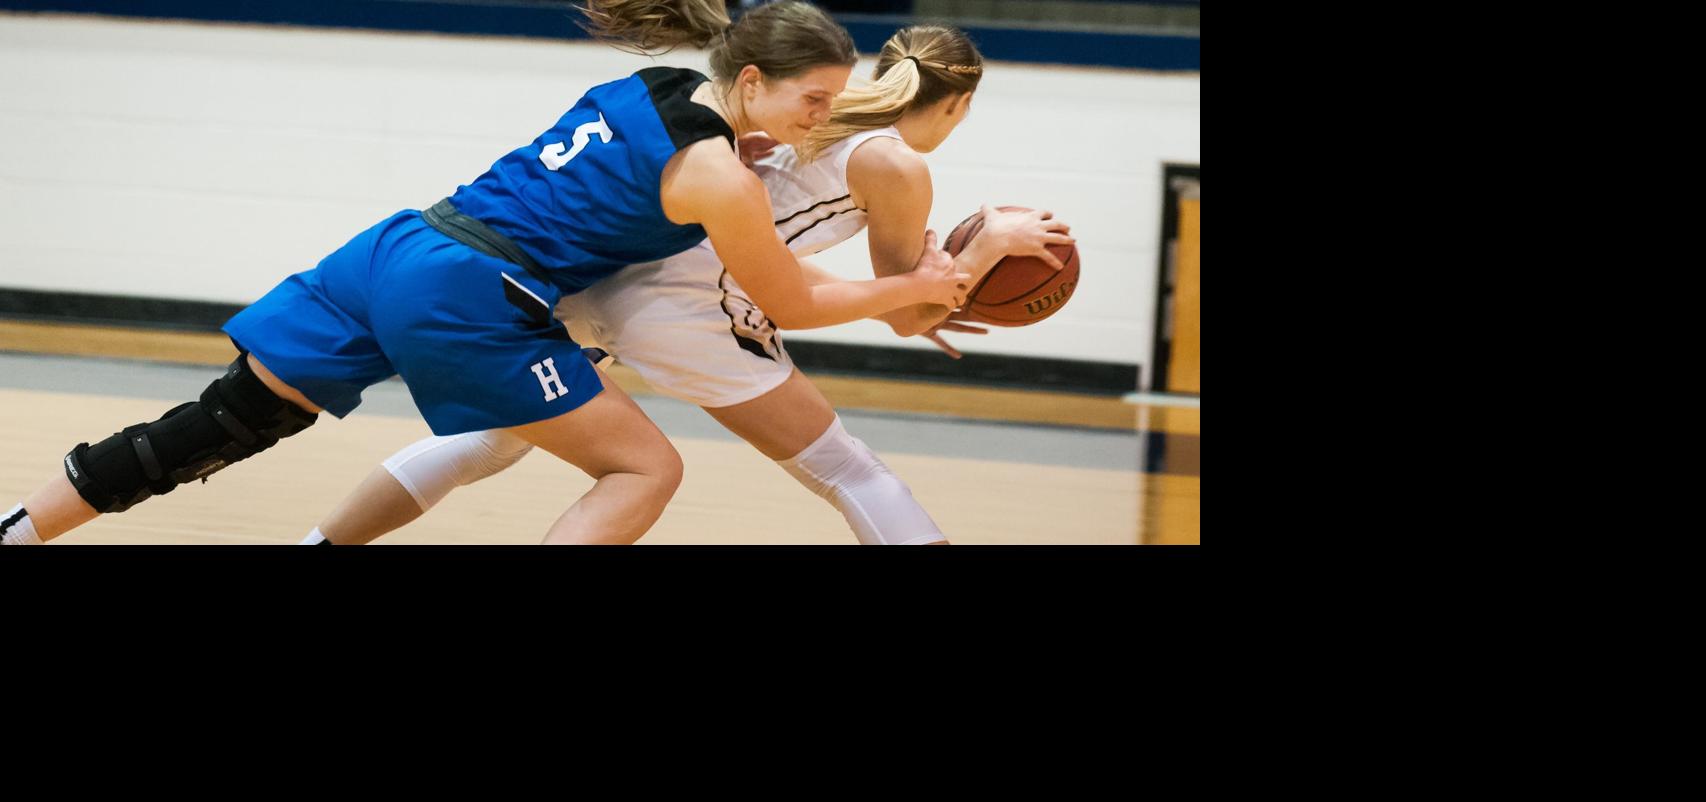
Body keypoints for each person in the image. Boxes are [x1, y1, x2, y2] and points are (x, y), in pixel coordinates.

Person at [0, 0, 970, 547]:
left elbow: (633, 171)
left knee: (216, 425)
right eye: (815, 100)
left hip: (398, 247)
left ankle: (18, 528)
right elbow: (789, 299)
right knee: (645, 467)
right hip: (475, 294)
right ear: (752, 83)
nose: (825, 118)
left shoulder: (646, 85)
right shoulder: (718, 175)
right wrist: (917, 288)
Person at [305, 23, 1072, 546]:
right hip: (689, 304)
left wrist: (933, 286)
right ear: (957, 104)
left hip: (611, 271)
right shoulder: (898, 163)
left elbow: (797, 255)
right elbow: (905, 311)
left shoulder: (802, 107)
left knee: (489, 439)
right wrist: (986, 252)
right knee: (846, 467)